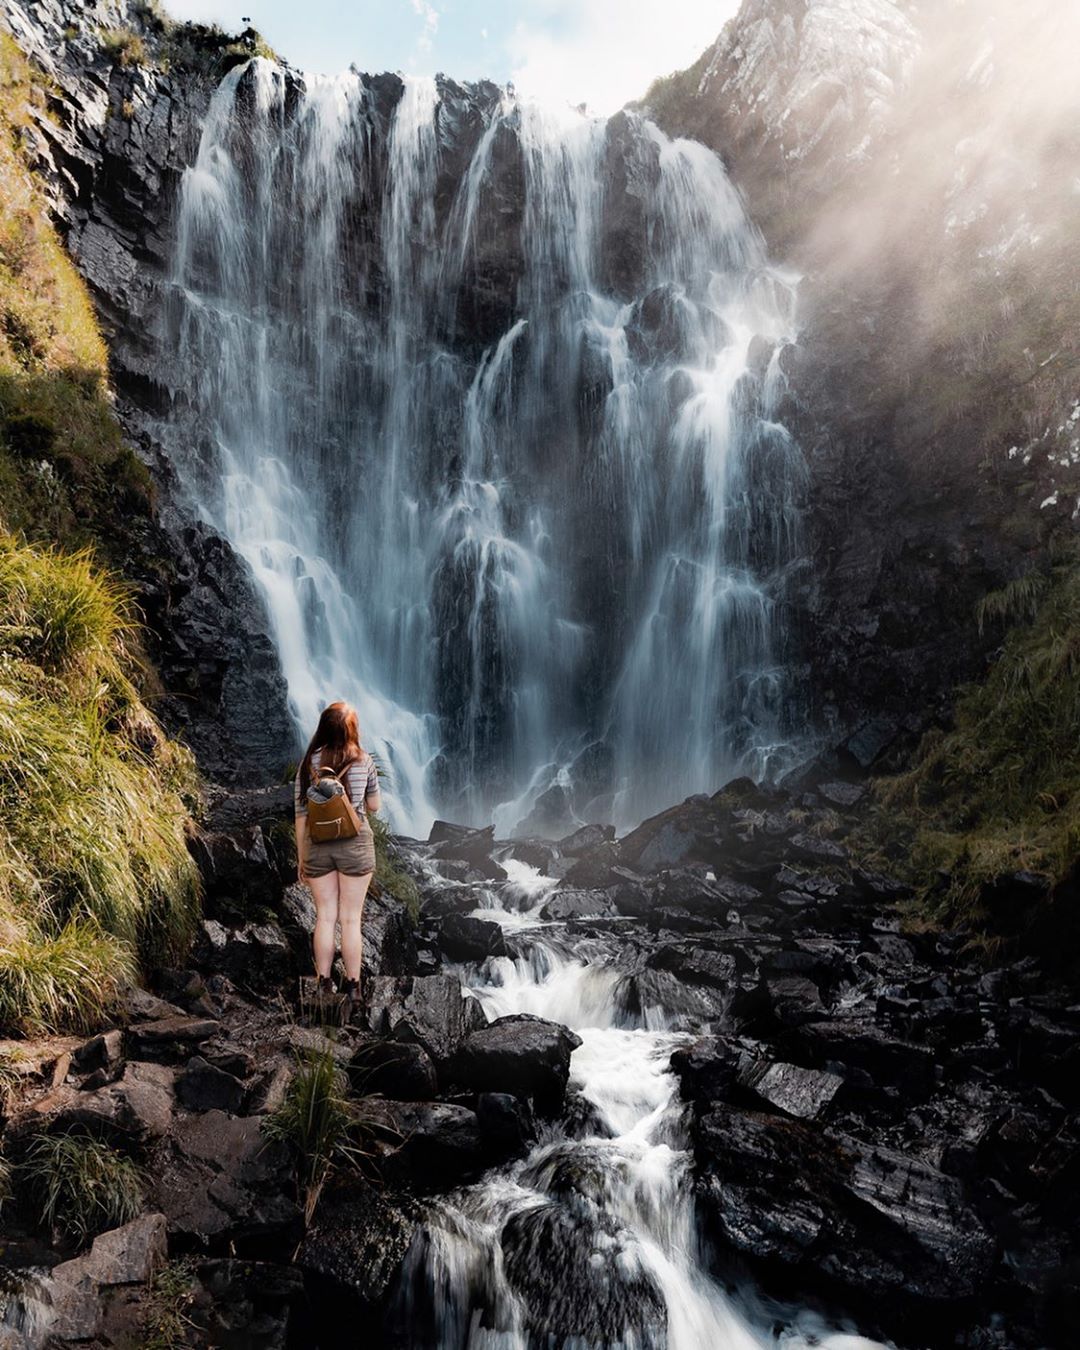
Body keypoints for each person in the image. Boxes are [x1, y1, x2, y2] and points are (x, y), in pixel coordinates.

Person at [293, 701, 381, 1005]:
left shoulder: (308, 763)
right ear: (352, 730)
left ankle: (324, 983)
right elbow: (374, 806)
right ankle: (354, 987)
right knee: (351, 919)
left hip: (318, 845)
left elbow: (301, 815)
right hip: (355, 843)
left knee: (325, 916)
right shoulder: (364, 761)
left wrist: (302, 858)